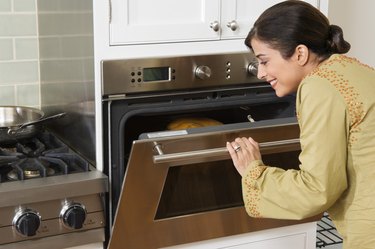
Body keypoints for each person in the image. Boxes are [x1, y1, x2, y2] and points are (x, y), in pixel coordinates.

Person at [226, 1, 375, 248]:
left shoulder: (319, 86)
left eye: (264, 60)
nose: (260, 73)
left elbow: (317, 190)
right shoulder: (355, 69)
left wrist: (254, 171)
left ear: (300, 53)